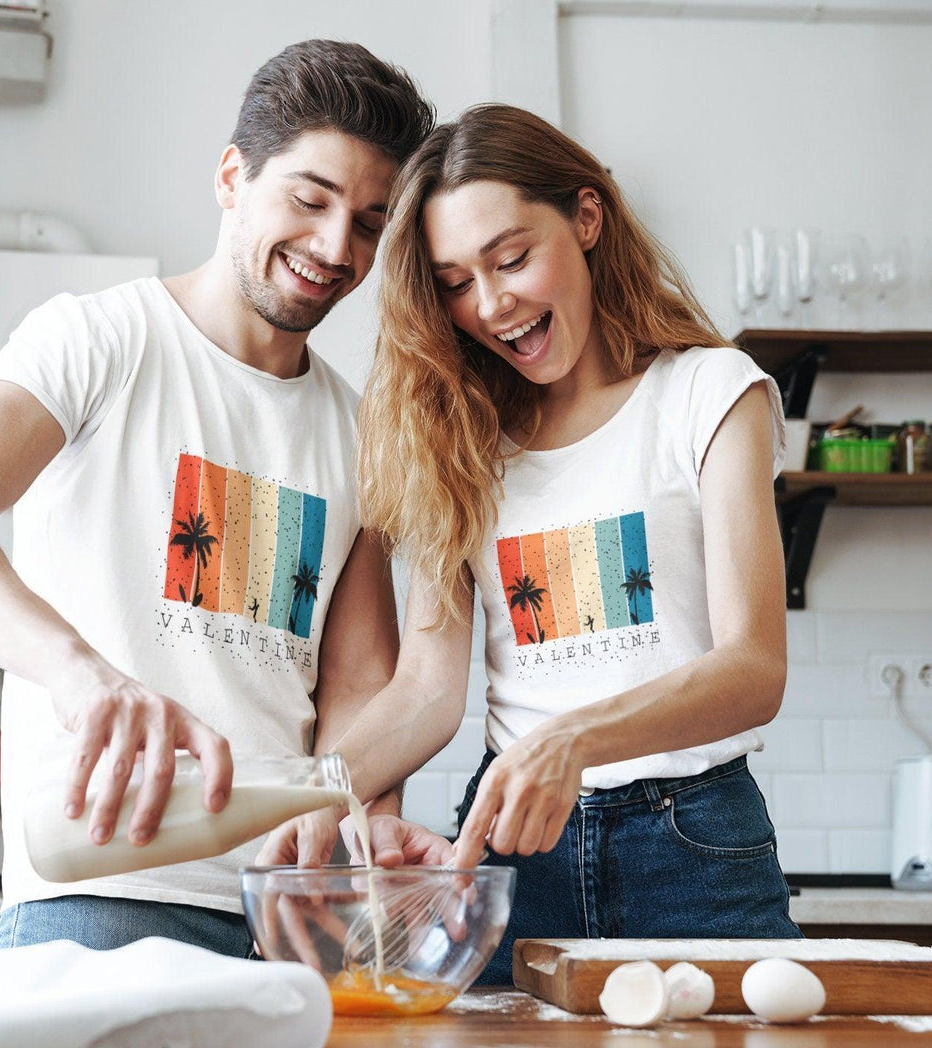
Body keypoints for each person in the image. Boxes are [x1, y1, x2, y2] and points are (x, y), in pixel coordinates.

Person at [0, 40, 444, 957]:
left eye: (369, 222)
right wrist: (78, 671)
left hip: (289, 916)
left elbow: (359, 680)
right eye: (309, 199)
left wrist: (360, 823)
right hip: (101, 898)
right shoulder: (98, 340)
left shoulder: (363, 431)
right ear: (230, 177)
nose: (337, 248)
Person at [261, 104, 800, 984]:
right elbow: (427, 690)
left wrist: (571, 741)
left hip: (692, 843)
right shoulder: (457, 435)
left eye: (511, 258)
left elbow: (752, 670)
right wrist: (311, 799)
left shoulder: (710, 391)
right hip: (512, 854)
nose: (491, 302)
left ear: (586, 219)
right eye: (455, 282)